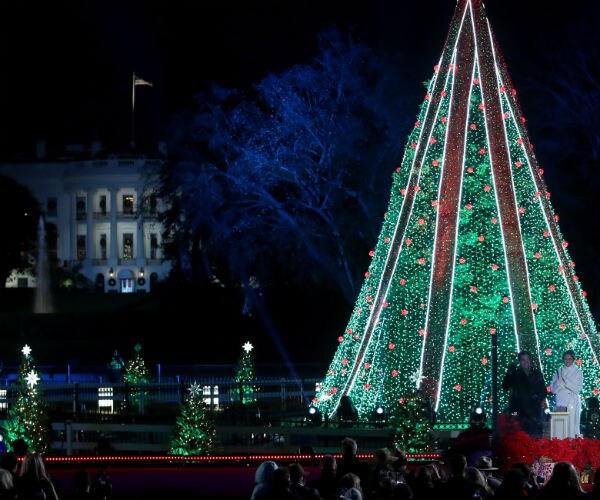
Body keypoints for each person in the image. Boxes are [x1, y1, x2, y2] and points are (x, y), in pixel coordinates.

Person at [502, 350, 548, 438]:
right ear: (520, 362)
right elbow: (505, 386)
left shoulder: (537, 374)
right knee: (517, 437)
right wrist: (509, 373)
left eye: (527, 359)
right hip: (518, 410)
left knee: (534, 437)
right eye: (523, 360)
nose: (526, 362)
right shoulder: (515, 374)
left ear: (530, 360)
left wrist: (537, 398)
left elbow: (543, 391)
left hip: (533, 411)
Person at [550, 349, 583, 438]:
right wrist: (559, 384)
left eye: (569, 358)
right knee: (560, 428)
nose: (567, 360)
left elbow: (577, 388)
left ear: (573, 359)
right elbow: (553, 389)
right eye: (565, 358)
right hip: (561, 402)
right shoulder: (558, 371)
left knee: (572, 426)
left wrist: (565, 382)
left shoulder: (578, 372)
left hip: (572, 401)